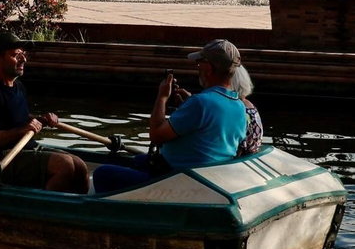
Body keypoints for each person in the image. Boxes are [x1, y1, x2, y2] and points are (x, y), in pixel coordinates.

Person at [92, 39, 249, 193]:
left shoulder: (200, 103)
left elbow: (156, 135)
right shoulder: (240, 107)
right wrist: (186, 105)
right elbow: (209, 126)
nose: (198, 68)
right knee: (139, 162)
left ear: (208, 67)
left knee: (102, 173)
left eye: (200, 63)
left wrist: (162, 98)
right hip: (209, 177)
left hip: (180, 181)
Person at [0, 33, 88, 192]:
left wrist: (41, 119)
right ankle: (42, 213)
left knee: (80, 166)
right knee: (65, 165)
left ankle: (77, 211)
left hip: (24, 150)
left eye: (24, 55)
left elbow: (16, 118)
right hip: (0, 158)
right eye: (16, 55)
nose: (23, 60)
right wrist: (23, 129)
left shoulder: (18, 87)